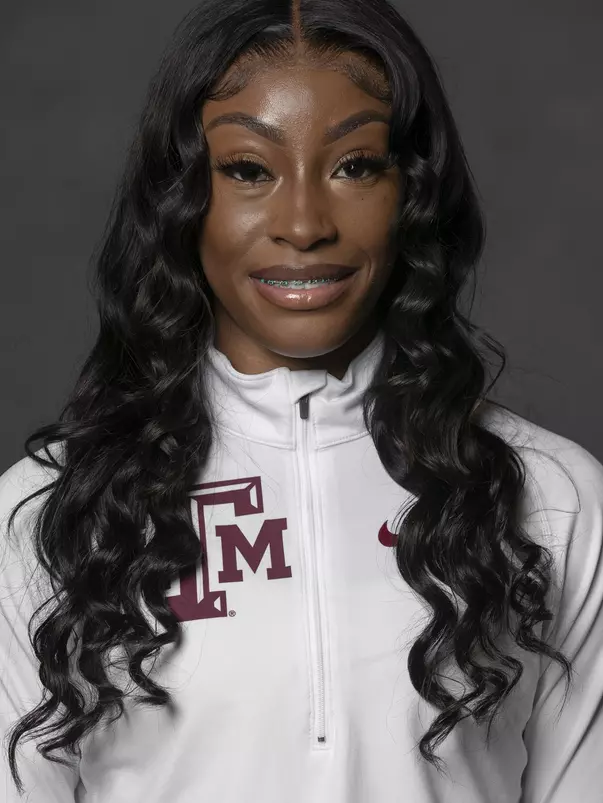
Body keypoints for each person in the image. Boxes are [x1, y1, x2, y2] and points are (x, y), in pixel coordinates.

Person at [1, 0, 602, 800]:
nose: (303, 222)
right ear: (183, 199)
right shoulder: (50, 510)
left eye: (355, 165)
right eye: (248, 169)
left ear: (412, 192)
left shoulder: (553, 497)